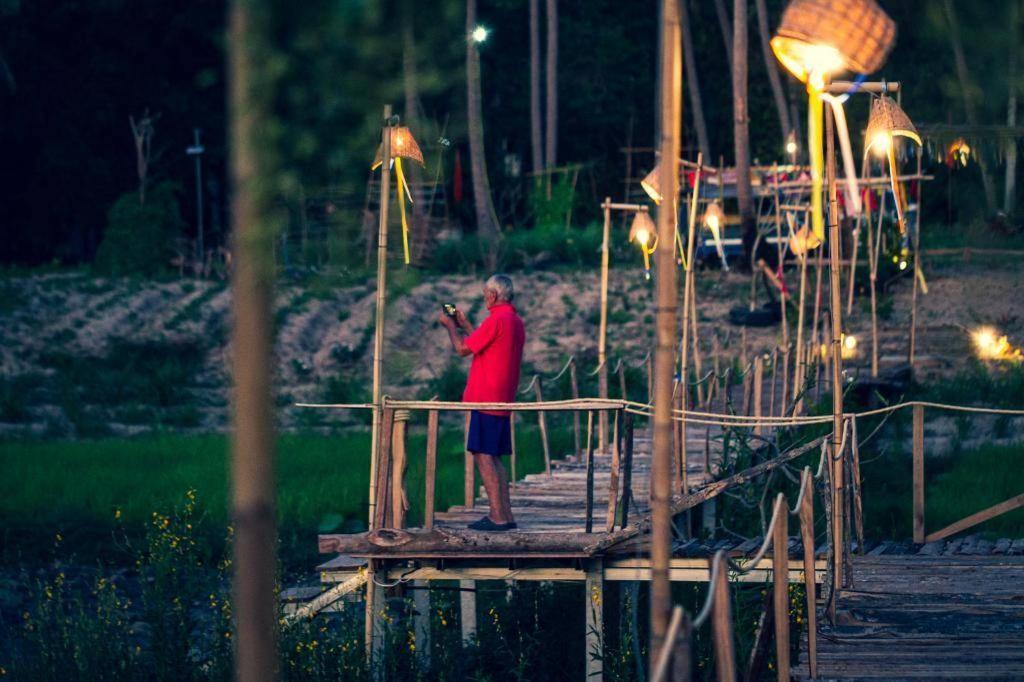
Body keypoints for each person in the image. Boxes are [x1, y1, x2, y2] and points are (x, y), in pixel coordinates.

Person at [438, 274, 525, 531]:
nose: (485, 297)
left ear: (493, 295)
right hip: (502, 397)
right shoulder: (514, 321)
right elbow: (485, 345)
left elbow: (464, 350)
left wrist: (450, 327)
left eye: (486, 292)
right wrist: (465, 324)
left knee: (483, 456)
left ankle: (497, 516)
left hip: (486, 397)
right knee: (494, 456)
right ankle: (505, 515)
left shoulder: (496, 319)